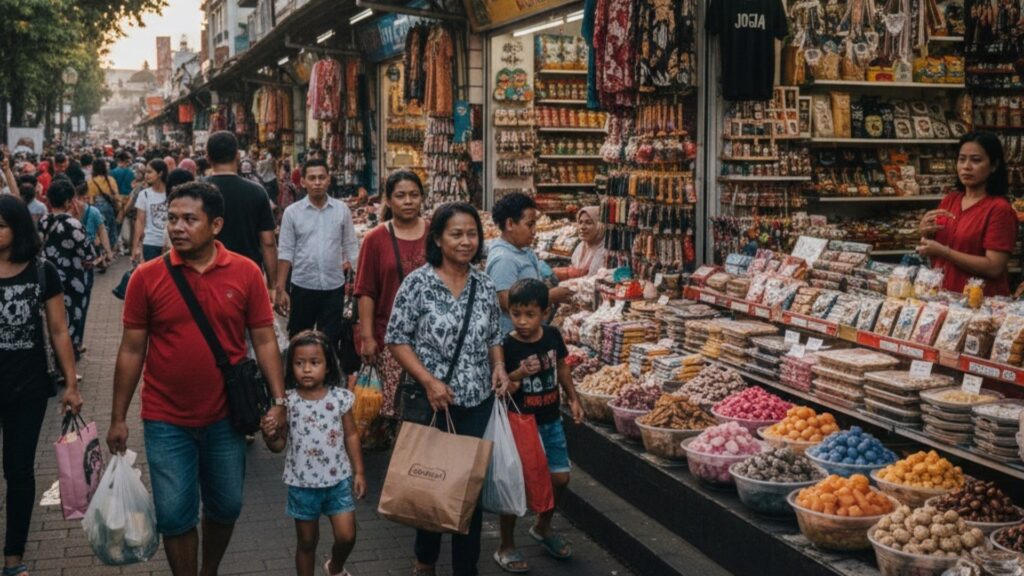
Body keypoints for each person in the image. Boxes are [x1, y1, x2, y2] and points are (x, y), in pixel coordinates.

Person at [107, 181, 288, 576]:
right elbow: (132, 350)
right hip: (164, 417)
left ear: (216, 224)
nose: (177, 227)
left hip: (227, 417)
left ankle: (210, 571)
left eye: (190, 219)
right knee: (174, 514)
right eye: (171, 219)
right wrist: (118, 417)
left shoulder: (245, 272)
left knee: (226, 506)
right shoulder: (146, 277)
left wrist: (279, 401)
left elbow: (264, 339)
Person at [385, 202, 511, 576]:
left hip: (475, 402)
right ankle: (425, 559)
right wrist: (428, 381)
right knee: (430, 482)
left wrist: (500, 366)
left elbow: (493, 336)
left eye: (472, 233)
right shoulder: (418, 283)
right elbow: (396, 338)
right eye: (456, 234)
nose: (465, 241)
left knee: (465, 493)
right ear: (437, 238)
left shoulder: (484, 284)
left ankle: (464, 568)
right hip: (431, 403)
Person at [0, 195, 82, 576]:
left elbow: (59, 331)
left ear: (18, 228)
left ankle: (13, 558)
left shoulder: (41, 270)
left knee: (18, 471)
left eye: (1, 224)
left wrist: (71, 385)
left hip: (27, 388)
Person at [494, 279, 584, 573]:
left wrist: (572, 398)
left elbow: (562, 366)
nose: (521, 321)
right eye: (516, 313)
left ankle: (542, 526)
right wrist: (518, 372)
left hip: (551, 419)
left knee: (560, 478)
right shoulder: (506, 345)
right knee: (514, 485)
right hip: (520, 424)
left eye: (529, 314)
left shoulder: (553, 336)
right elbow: (501, 388)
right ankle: (506, 544)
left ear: (544, 313)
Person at [261, 330, 365, 576]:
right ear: (291, 367)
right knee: (307, 543)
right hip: (302, 485)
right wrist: (270, 435)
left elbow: (351, 435)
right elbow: (278, 446)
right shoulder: (287, 402)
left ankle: (335, 567)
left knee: (347, 535)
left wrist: (359, 471)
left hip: (338, 481)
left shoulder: (340, 398)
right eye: (299, 363)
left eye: (314, 362)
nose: (306, 369)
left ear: (328, 366)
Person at [354, 170, 428, 445]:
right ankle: (403, 468)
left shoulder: (435, 232)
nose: (408, 201)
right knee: (398, 408)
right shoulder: (375, 239)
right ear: (388, 199)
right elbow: (365, 291)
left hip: (432, 337)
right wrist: (367, 337)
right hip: (392, 339)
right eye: (400, 195)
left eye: (414, 195)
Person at [917, 132, 1018, 296]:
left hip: (980, 304)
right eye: (962, 159)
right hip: (944, 298)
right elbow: (933, 249)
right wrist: (925, 234)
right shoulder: (950, 200)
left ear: (994, 165)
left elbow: (994, 267)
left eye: (976, 160)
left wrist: (945, 252)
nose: (966, 166)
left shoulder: (999, 210)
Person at [275, 159, 359, 345]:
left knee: (329, 341)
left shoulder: (341, 210)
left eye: (322, 177)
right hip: (303, 285)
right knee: (299, 339)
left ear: (329, 180)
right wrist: (281, 289)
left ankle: (327, 373)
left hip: (333, 287)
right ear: (303, 182)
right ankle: (297, 374)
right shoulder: (292, 213)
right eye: (312, 178)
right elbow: (285, 252)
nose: (317, 182)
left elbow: (351, 247)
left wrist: (361, 282)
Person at [485, 192, 572, 335]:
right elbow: (507, 303)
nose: (534, 231)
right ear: (510, 224)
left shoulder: (522, 250)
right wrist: (548, 297)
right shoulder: (504, 259)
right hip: (513, 340)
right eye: (529, 225)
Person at [204, 131, 278, 294]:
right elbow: (268, 242)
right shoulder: (257, 192)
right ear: (237, 156)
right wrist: (273, 286)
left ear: (208, 158)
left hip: (206, 274)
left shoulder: (197, 190)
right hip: (248, 275)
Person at [39, 178, 91, 359]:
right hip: (72, 282)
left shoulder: (43, 221)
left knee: (52, 323)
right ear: (69, 201)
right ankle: (68, 363)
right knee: (71, 322)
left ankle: (54, 360)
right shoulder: (74, 224)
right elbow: (88, 255)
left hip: (47, 280)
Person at [555, 206, 607, 280]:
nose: (582, 227)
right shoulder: (581, 246)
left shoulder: (604, 251)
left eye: (588, 223)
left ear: (599, 225)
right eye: (580, 222)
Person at [132, 159, 169, 263]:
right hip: (150, 243)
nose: (146, 175)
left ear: (160, 173)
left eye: (150, 172)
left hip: (169, 244)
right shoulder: (144, 194)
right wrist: (135, 247)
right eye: (145, 172)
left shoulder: (172, 193)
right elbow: (140, 222)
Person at [87, 158, 120, 250]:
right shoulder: (110, 180)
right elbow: (116, 195)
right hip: (108, 207)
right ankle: (111, 249)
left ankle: (101, 250)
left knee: (99, 230)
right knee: (111, 228)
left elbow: (90, 198)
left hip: (96, 207)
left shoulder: (91, 181)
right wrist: (118, 206)